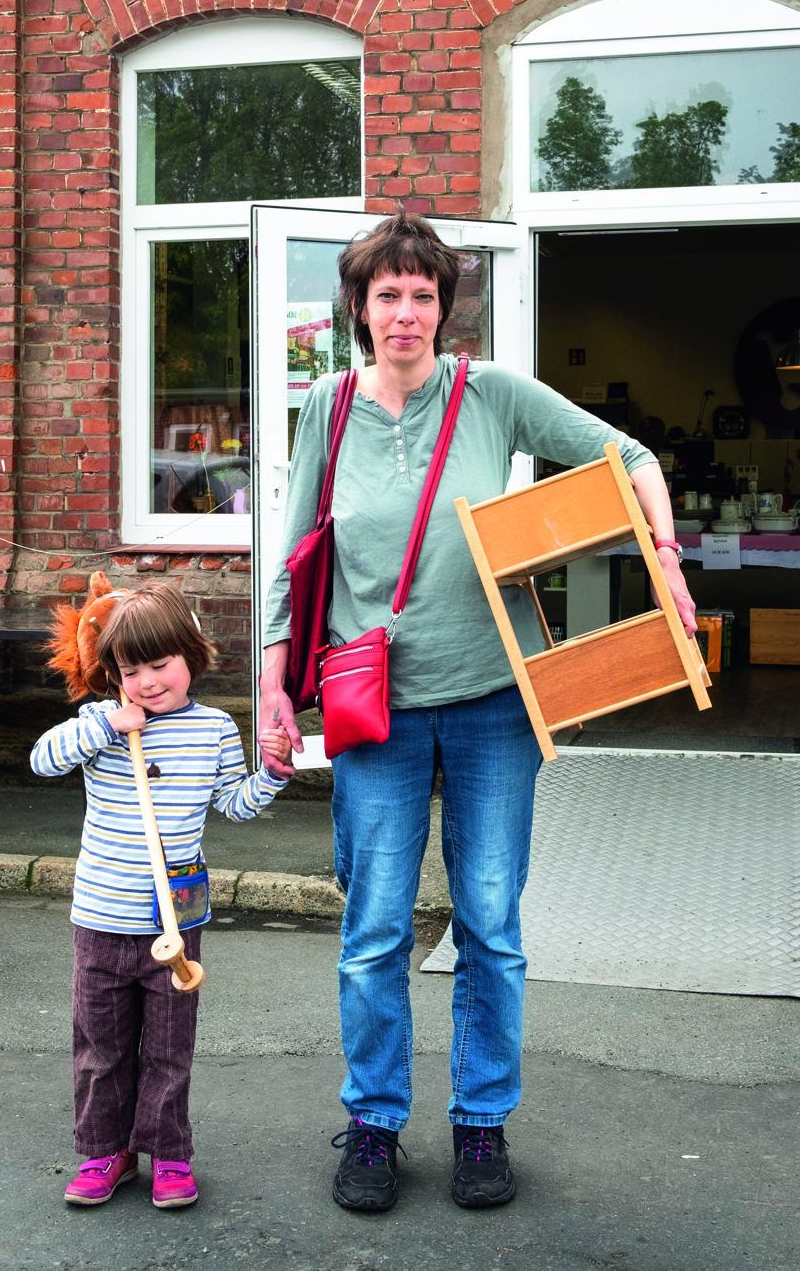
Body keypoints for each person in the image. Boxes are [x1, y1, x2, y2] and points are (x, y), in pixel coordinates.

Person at [258, 211, 697, 1213]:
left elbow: (628, 457)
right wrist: (273, 685)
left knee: (490, 924)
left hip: (496, 704)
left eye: (422, 295)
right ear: (359, 310)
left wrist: (664, 559)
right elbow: (296, 562)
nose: (405, 313)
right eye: (387, 296)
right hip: (377, 712)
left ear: (443, 309)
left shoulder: (488, 392)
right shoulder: (326, 406)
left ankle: (479, 1122)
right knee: (371, 929)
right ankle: (372, 1123)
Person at [31, 582, 293, 1211]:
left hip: (174, 922)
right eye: (130, 670)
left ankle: (169, 1153)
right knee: (101, 1047)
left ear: (190, 657)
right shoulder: (102, 723)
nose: (147, 682)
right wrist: (105, 726)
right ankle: (106, 1152)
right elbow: (43, 761)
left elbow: (232, 804)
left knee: (170, 1050)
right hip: (99, 918)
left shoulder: (214, 729)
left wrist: (272, 777)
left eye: (160, 664)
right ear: (111, 673)